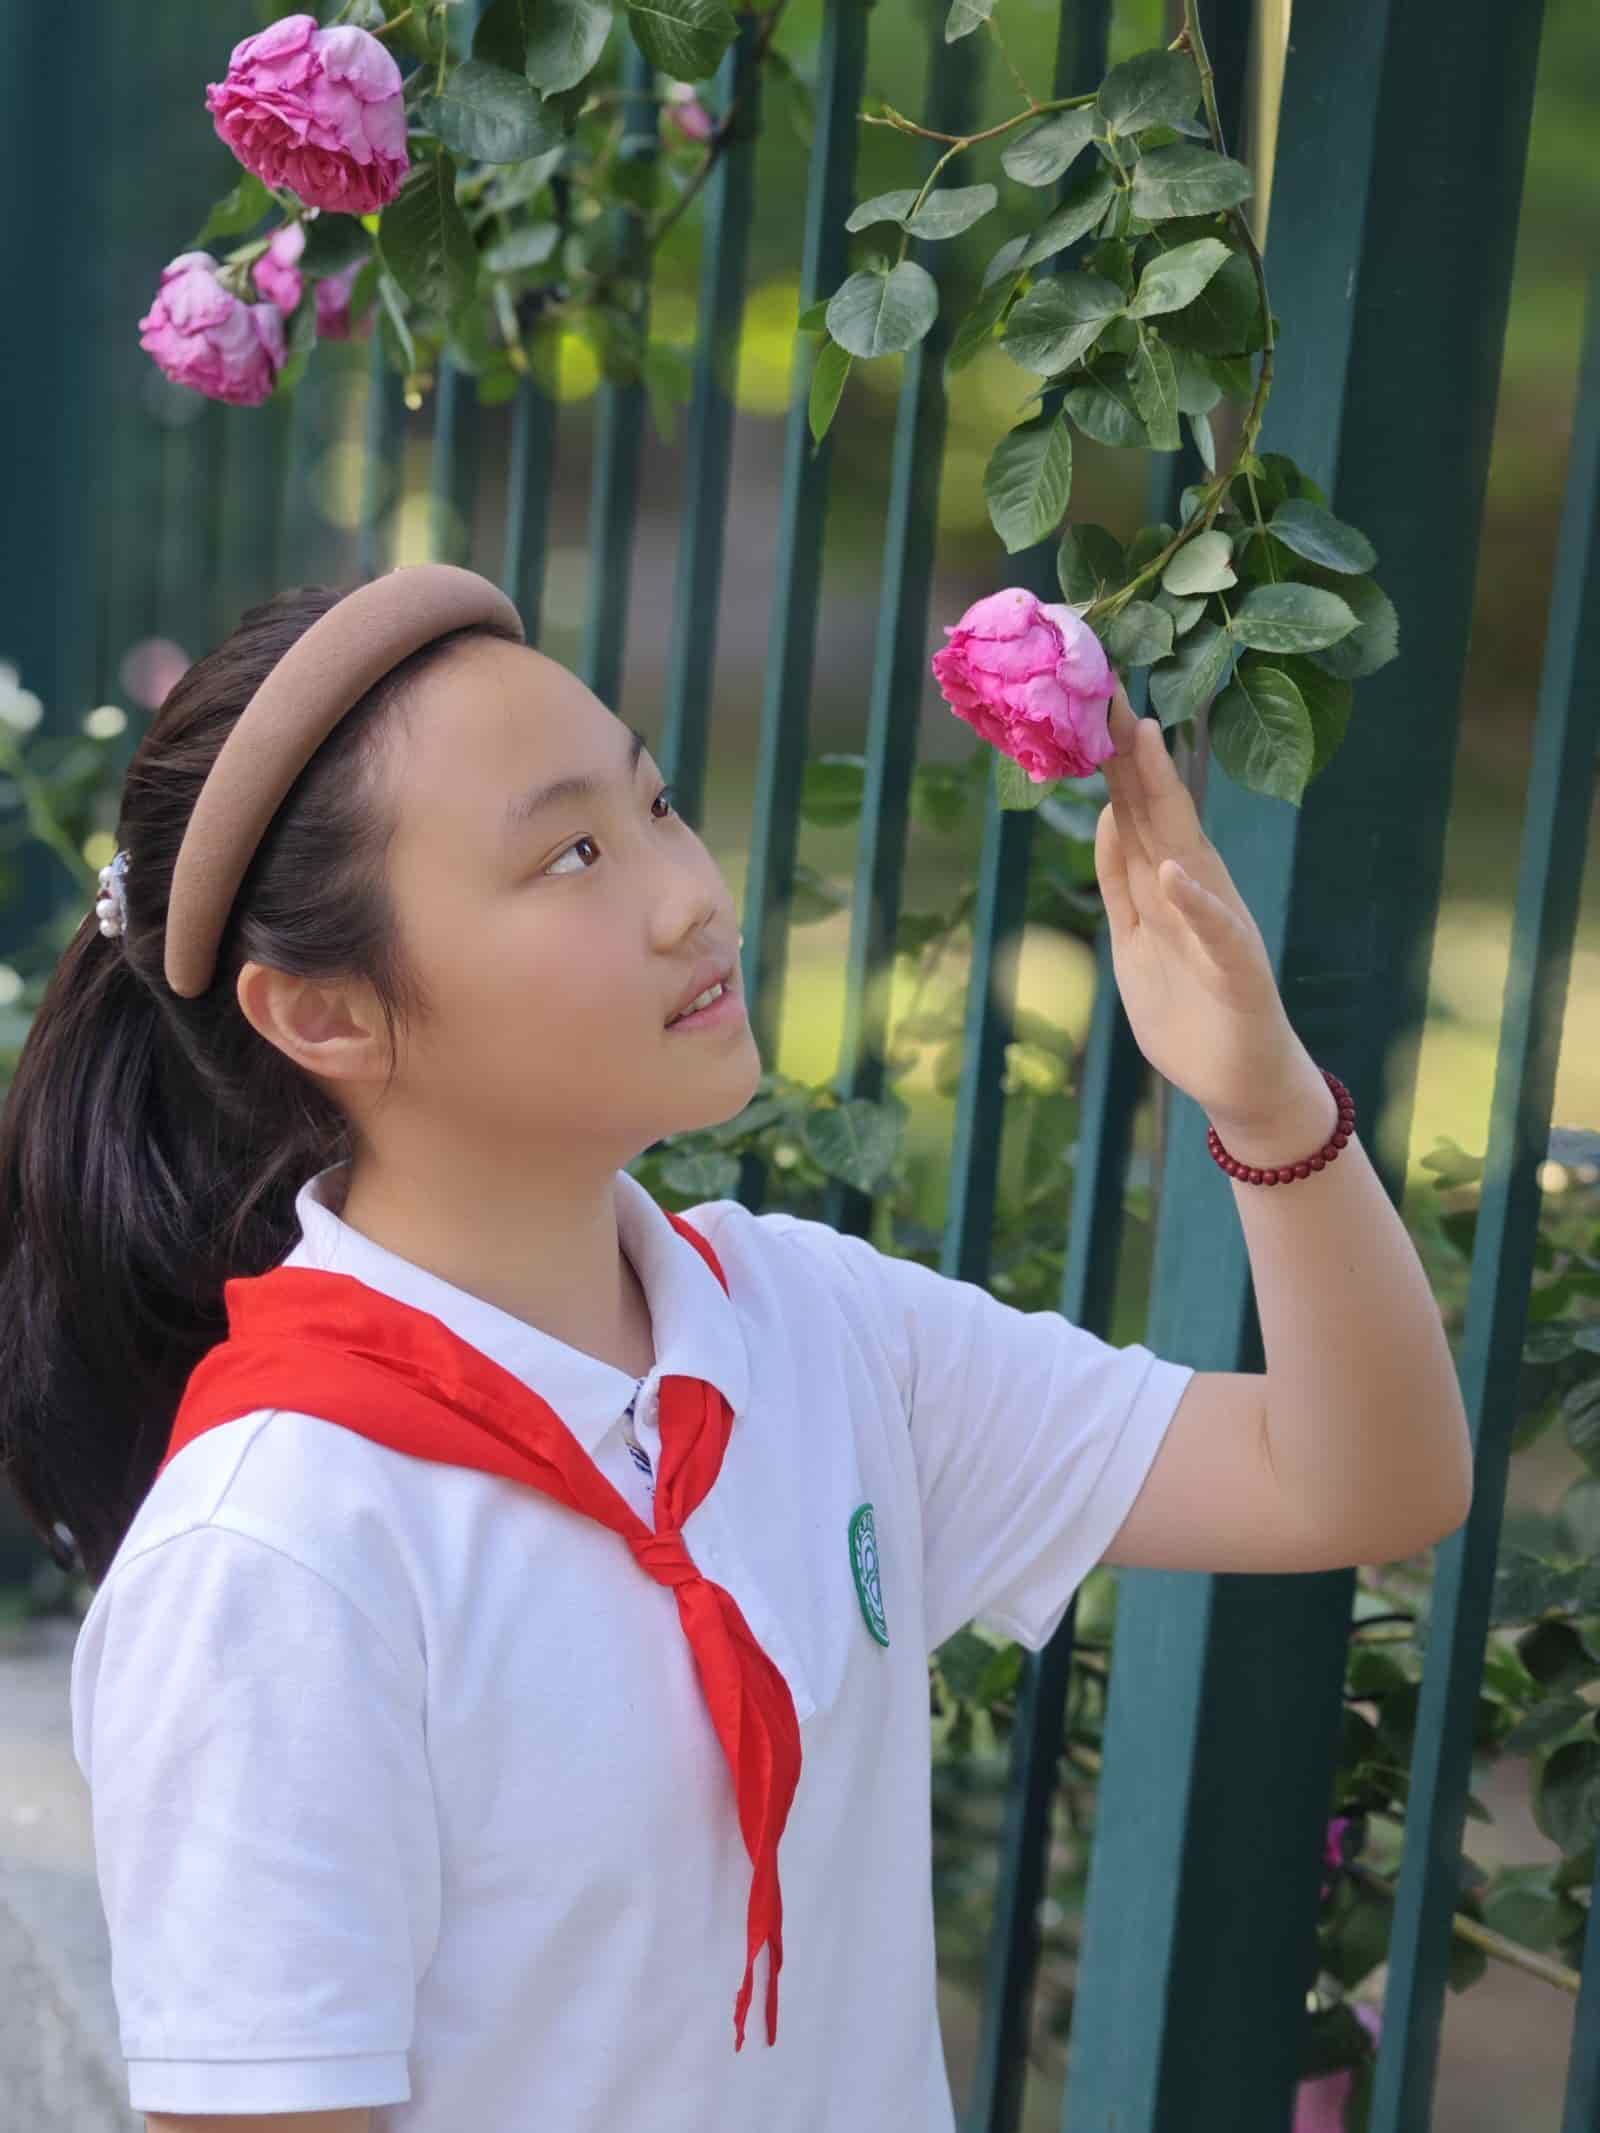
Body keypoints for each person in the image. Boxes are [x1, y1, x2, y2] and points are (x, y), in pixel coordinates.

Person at [0, 565, 1471, 2131]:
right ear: (326, 1015)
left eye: (655, 804)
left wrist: (1264, 1099)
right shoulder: (279, 1553)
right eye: (571, 854)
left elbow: (1359, 1480)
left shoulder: (815, 1329)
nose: (691, 896)